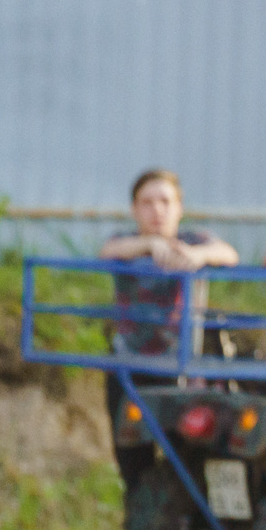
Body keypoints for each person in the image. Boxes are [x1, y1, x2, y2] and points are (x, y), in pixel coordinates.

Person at [96, 168, 238, 489]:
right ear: (135, 210)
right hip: (130, 367)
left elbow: (229, 254)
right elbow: (107, 251)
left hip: (183, 367)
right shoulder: (125, 240)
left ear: (179, 208)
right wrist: (147, 246)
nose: (157, 210)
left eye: (165, 201)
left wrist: (197, 255)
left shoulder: (193, 240)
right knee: (133, 465)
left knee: (189, 462)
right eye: (147, 202)